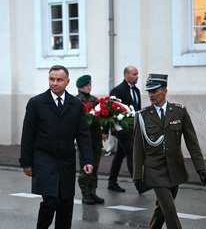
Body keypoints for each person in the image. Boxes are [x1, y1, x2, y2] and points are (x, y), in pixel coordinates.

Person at [20, 65, 94, 229]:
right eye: (51, 79)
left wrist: (88, 160)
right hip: (43, 159)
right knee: (51, 199)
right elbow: (28, 135)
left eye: (59, 80)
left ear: (67, 82)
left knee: (66, 202)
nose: (54, 83)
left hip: (66, 161)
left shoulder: (75, 104)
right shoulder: (36, 103)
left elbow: (83, 135)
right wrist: (26, 162)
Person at [133, 73, 206, 229]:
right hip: (154, 170)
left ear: (165, 91)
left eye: (155, 91)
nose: (151, 95)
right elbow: (138, 148)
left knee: (162, 209)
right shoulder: (142, 116)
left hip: (175, 169)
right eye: (149, 91)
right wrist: (137, 174)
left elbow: (192, 142)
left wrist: (200, 167)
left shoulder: (179, 112)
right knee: (169, 207)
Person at [105, 66, 148, 193]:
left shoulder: (137, 90)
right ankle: (139, 185)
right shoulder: (117, 91)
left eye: (137, 74)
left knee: (119, 155)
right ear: (126, 75)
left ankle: (112, 182)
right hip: (122, 131)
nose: (137, 76)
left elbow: (137, 110)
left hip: (132, 129)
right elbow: (111, 110)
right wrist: (108, 130)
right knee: (132, 154)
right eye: (134, 74)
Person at [75, 75, 104, 205]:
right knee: (85, 166)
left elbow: (103, 115)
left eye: (90, 84)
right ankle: (85, 194)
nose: (89, 87)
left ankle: (93, 192)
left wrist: (105, 130)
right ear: (80, 87)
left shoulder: (95, 100)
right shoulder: (76, 101)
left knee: (95, 166)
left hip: (96, 137)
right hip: (84, 139)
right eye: (87, 85)